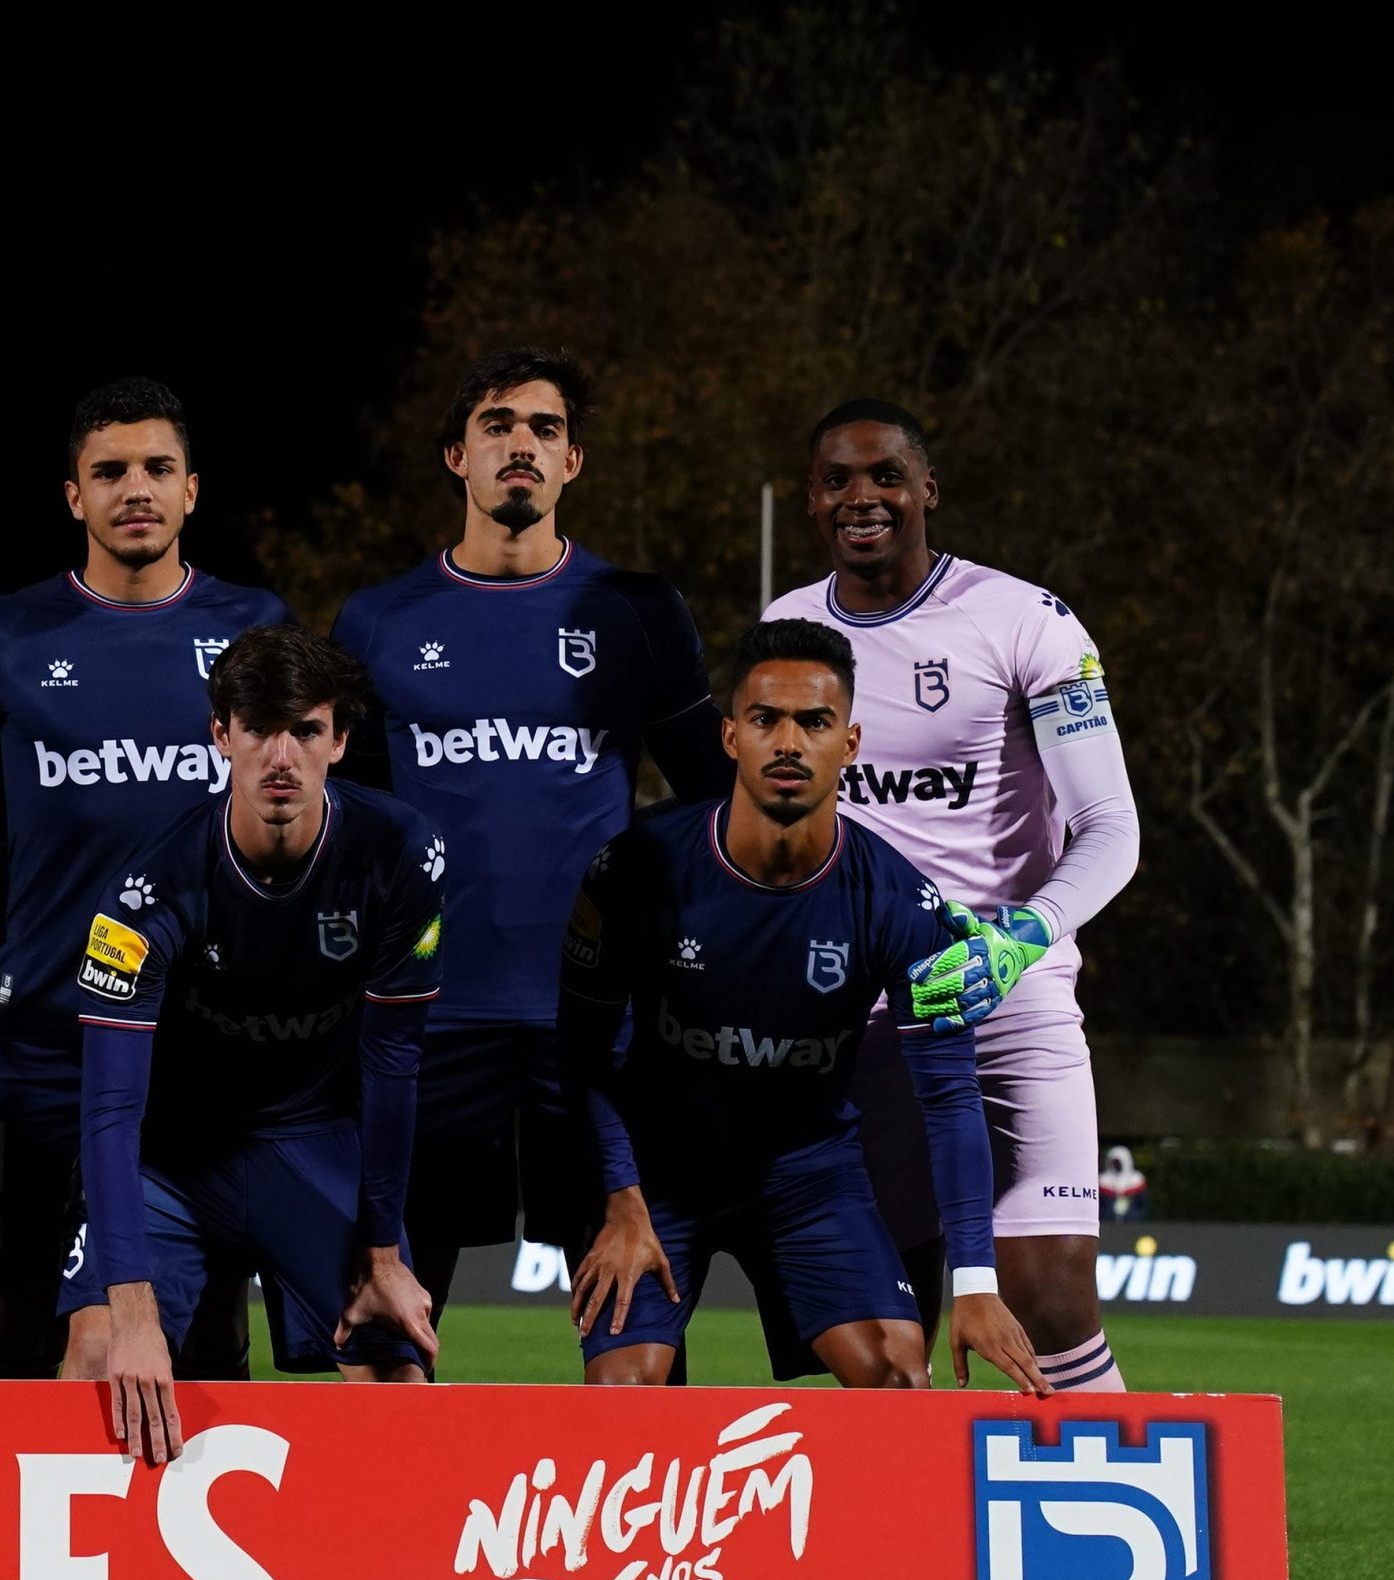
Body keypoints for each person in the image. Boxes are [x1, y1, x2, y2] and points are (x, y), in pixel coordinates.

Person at [334, 346, 729, 1333]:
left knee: (635, 1342)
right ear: (454, 458)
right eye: (497, 426)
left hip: (596, 1030)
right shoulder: (375, 623)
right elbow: (357, 834)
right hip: (426, 1024)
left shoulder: (637, 614)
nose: (522, 444)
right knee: (389, 1342)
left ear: (572, 464)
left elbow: (712, 805)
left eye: (545, 429)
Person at [558, 618, 1047, 1395]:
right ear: (730, 738)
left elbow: (950, 1094)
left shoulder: (898, 901)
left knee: (897, 1379)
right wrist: (617, 1199)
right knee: (624, 1397)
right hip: (657, 1177)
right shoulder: (635, 867)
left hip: (807, 1174)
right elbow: (582, 1050)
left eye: (814, 722)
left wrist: (978, 1285)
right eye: (766, 720)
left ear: (849, 743)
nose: (789, 742)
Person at [764, 399, 1141, 1391]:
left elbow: (1111, 829)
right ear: (812, 501)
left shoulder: (1022, 618)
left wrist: (1020, 938)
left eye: (885, 475)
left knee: (1048, 1303)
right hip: (861, 1018)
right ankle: (903, 1545)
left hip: (1009, 1001)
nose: (863, 497)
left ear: (925, 489)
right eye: (838, 480)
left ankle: (1114, 1534)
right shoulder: (785, 630)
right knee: (883, 1336)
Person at [0, 378, 286, 1379]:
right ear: (72, 496)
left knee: (209, 1325)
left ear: (192, 490)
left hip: (202, 1046)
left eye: (158, 469)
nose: (137, 489)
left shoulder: (254, 629)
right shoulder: (3, 636)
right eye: (110, 471)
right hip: (43, 1032)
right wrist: (23, 888)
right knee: (13, 1323)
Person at [61, 625, 445, 1464]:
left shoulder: (402, 857)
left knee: (402, 1395)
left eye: (305, 730)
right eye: (257, 729)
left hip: (314, 1148)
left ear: (339, 740)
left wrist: (381, 1251)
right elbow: (110, 1110)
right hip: (172, 1159)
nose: (281, 756)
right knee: (95, 1364)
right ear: (220, 734)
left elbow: (392, 1063)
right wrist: (132, 1316)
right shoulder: (143, 891)